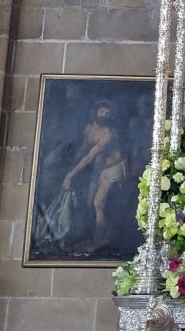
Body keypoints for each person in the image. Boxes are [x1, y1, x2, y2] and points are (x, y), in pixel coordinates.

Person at [61, 99, 126, 253]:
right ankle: (90, 235)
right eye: (102, 111)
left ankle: (97, 241)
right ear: (96, 111)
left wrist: (70, 174)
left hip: (113, 169)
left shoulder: (107, 134)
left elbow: (90, 156)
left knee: (98, 202)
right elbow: (84, 149)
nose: (104, 115)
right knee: (89, 201)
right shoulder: (88, 128)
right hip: (99, 169)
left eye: (107, 113)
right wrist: (72, 163)